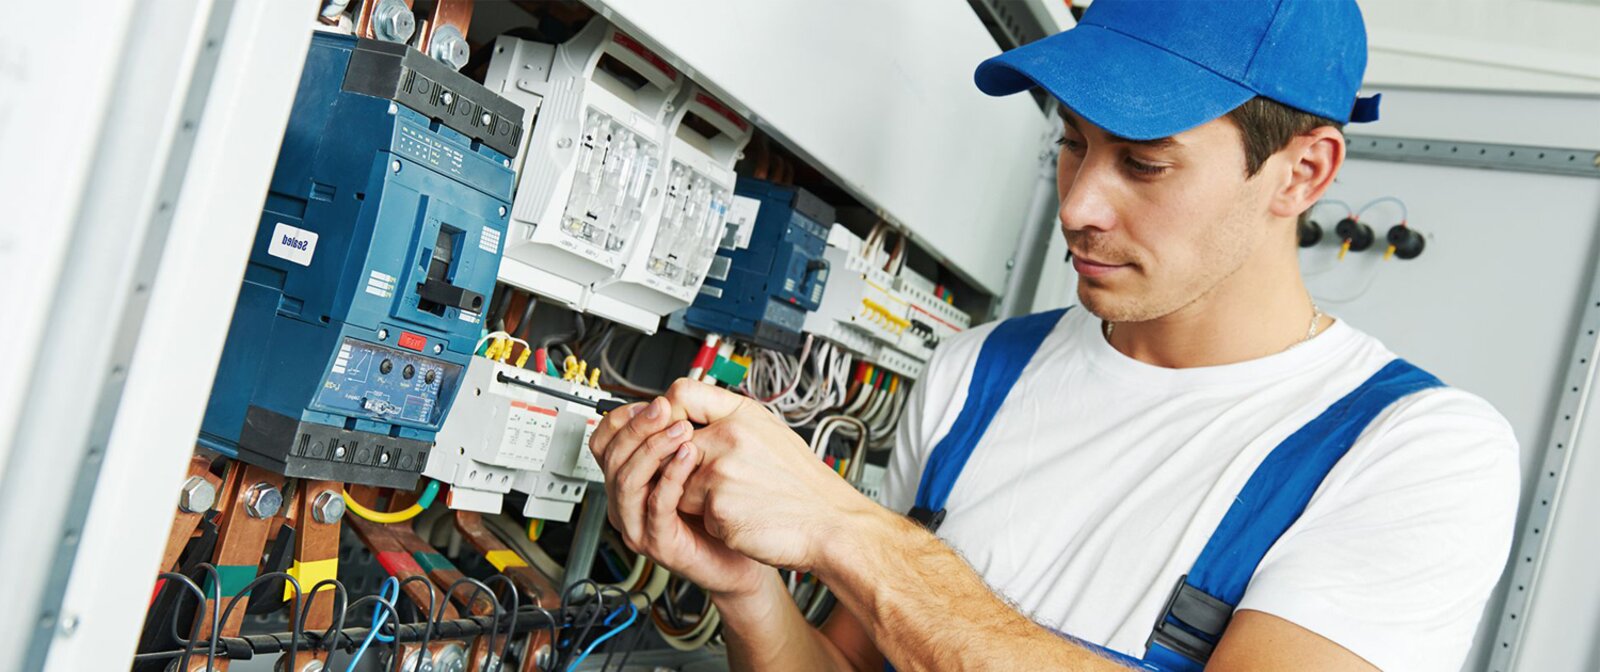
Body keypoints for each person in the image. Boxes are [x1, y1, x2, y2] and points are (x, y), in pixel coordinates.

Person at [589, 1, 1519, 670]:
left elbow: (866, 548)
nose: (1079, 204)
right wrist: (748, 592)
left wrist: (849, 531)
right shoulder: (975, 374)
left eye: (1144, 164)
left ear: (1301, 173)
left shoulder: (1414, 456)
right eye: (1071, 142)